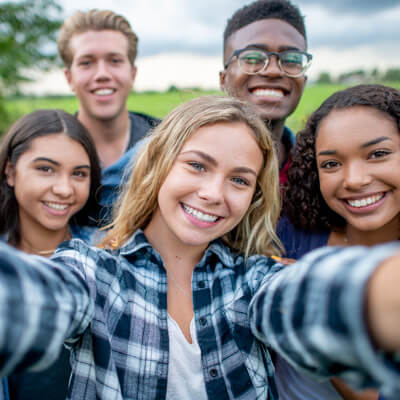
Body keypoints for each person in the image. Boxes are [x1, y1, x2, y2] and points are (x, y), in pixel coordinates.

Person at [0, 97, 399, 400]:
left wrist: (378, 295)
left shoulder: (253, 280)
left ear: (253, 198)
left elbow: (306, 299)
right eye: (197, 165)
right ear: (159, 164)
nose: (213, 194)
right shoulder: (93, 271)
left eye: (239, 181)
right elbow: (34, 298)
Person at [277, 84, 400, 400]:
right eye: (331, 163)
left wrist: (305, 307)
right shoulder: (289, 233)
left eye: (378, 154)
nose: (355, 180)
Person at [0, 109, 102, 400]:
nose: (63, 189)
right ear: (10, 171)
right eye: (45, 169)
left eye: (79, 174)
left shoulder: (106, 256)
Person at [58, 9, 159, 222]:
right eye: (86, 62)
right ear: (69, 78)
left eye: (114, 60)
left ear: (132, 74)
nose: (102, 74)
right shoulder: (49, 147)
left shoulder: (167, 142)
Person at [220, 0, 312, 184]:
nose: (273, 71)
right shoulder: (170, 162)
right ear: (224, 79)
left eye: (291, 59)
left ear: (304, 80)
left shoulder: (319, 172)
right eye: (253, 57)